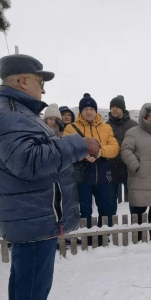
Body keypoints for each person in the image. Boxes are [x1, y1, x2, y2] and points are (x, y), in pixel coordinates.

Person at [0, 54, 101, 300]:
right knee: (33, 287)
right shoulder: (7, 114)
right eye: (39, 82)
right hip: (32, 215)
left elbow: (29, 154)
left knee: (22, 278)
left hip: (27, 213)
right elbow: (29, 163)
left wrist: (61, 143)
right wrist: (75, 144)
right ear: (22, 81)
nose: (42, 90)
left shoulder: (10, 112)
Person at [63, 93, 120, 229]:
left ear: (96, 111)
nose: (89, 112)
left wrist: (100, 152)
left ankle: (104, 237)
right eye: (85, 109)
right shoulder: (71, 128)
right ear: (81, 111)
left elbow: (115, 147)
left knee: (106, 207)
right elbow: (67, 149)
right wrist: (83, 155)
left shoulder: (106, 128)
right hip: (83, 175)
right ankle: (86, 238)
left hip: (102, 173)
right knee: (84, 209)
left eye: (91, 109)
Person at [106, 95, 137, 199]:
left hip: (129, 168)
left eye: (117, 107)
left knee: (135, 200)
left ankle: (136, 216)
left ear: (122, 109)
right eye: (112, 107)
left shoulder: (134, 125)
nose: (114, 109)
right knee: (110, 202)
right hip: (111, 168)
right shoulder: (105, 126)